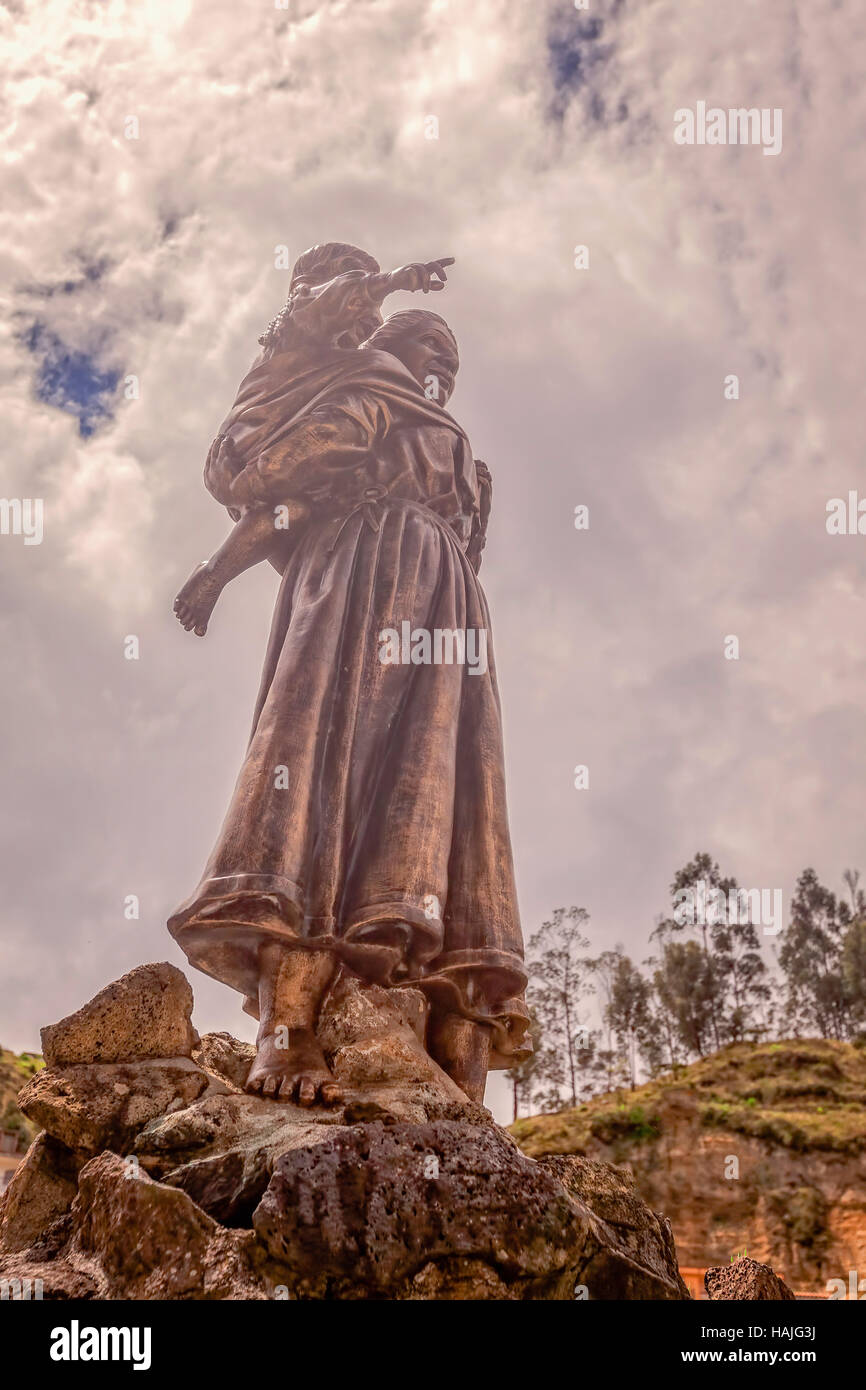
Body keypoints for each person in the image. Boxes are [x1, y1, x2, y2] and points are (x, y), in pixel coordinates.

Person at [169, 307, 529, 1106]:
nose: (443, 362)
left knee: (449, 799)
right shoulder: (370, 399)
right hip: (361, 580)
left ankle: (453, 1059)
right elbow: (286, 489)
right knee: (324, 765)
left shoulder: (465, 464)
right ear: (385, 348)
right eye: (429, 342)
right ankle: (288, 1025)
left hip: (447, 611)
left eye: (452, 352)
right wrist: (214, 571)